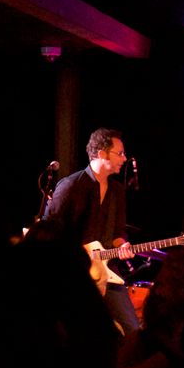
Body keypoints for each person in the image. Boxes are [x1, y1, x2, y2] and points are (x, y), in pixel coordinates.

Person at [44, 127, 139, 334]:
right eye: (120, 153)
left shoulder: (117, 191)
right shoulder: (71, 185)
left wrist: (122, 245)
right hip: (74, 273)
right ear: (102, 154)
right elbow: (48, 232)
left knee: (133, 330)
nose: (124, 158)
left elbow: (118, 232)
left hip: (108, 271)